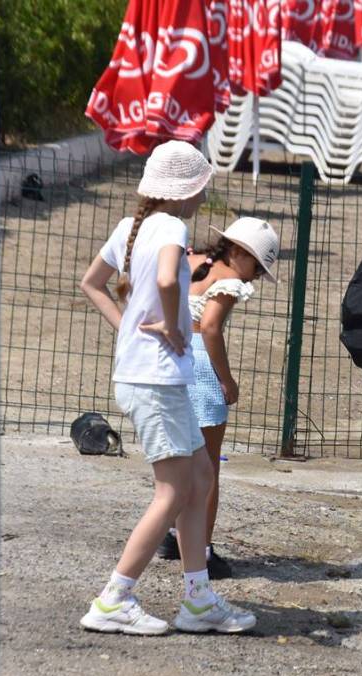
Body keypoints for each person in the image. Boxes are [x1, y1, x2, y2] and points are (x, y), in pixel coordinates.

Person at [78, 140, 256, 634]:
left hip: (150, 376)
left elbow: (92, 283)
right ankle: (115, 597)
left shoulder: (130, 228)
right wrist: (171, 327)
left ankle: (198, 599)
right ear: (190, 189)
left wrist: (130, 326)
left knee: (198, 479)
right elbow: (165, 280)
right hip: (156, 379)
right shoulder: (173, 226)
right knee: (175, 489)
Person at [154, 217, 281, 579]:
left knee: (178, 458)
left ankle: (174, 534)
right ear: (239, 252)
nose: (256, 276)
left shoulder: (191, 260)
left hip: (170, 358)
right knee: (207, 468)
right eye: (258, 266)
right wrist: (227, 381)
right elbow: (209, 327)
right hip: (200, 368)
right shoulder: (228, 281)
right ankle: (202, 550)